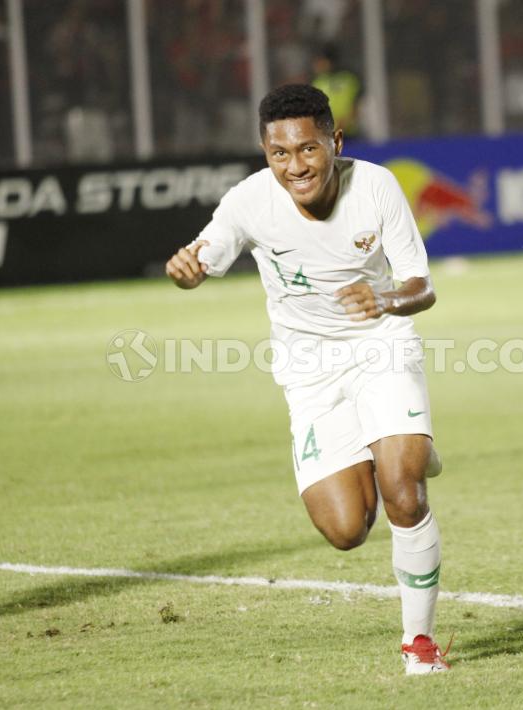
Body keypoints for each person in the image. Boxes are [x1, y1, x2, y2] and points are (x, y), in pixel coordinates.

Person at [164, 84, 448, 675]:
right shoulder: (248, 202)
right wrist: (186, 270)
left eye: (309, 150)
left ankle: (418, 643)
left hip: (380, 344)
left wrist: (386, 297)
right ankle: (398, 440)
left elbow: (422, 286)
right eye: (280, 154)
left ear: (334, 141)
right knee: (346, 530)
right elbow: (200, 261)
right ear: (266, 153)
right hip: (309, 370)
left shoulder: (376, 186)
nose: (296, 166)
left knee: (402, 489)